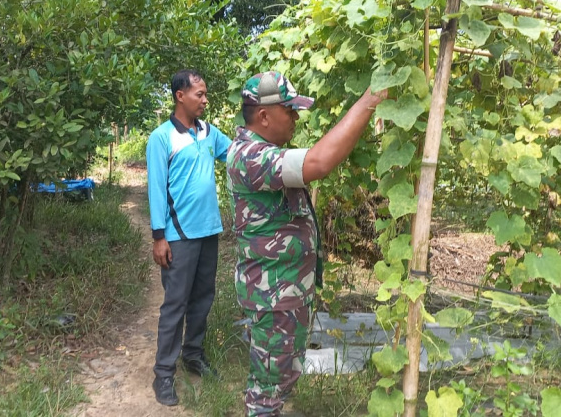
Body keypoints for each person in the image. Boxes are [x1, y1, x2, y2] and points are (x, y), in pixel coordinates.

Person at [226, 71, 387, 416]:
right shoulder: (249, 156)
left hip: (284, 291)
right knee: (267, 388)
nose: (297, 117)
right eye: (291, 110)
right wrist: (369, 101)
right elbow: (318, 162)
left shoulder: (261, 151)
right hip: (274, 295)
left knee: (280, 378)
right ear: (265, 115)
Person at [146, 69, 232, 406]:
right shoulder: (162, 138)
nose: (205, 100)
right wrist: (158, 237)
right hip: (178, 236)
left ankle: (193, 356)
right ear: (180, 95)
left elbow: (236, 154)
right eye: (200, 94)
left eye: (205, 93)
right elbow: (156, 190)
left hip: (209, 232)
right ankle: (164, 374)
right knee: (175, 305)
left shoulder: (210, 133)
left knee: (202, 299)